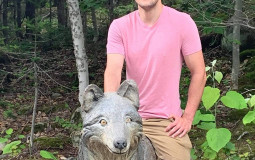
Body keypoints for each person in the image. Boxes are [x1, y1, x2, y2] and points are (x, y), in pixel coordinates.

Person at [104, 0, 206, 159]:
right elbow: (113, 72)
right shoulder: (120, 26)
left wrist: (188, 117)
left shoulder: (182, 22)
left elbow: (199, 72)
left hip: (165, 122)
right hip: (128, 118)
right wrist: (111, 116)